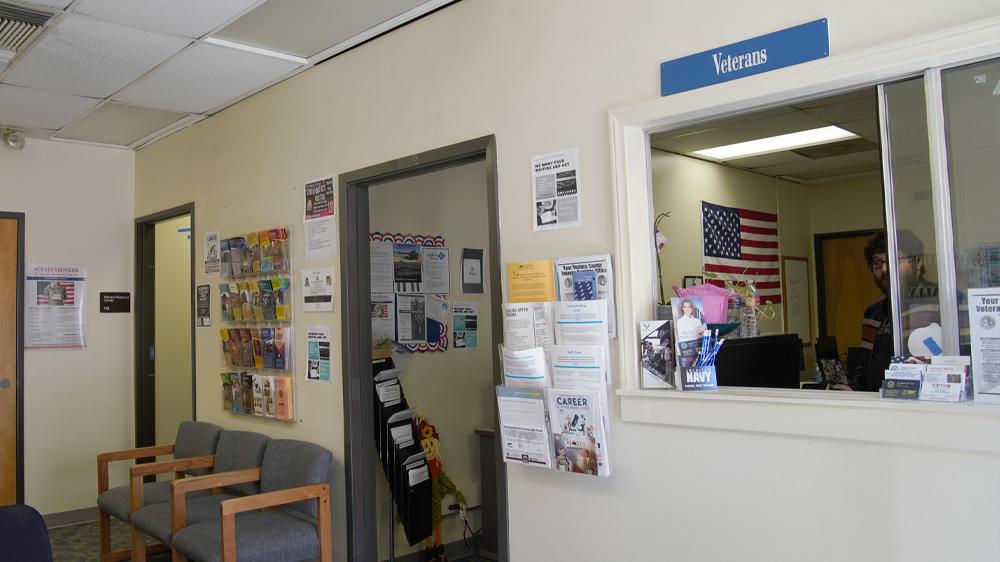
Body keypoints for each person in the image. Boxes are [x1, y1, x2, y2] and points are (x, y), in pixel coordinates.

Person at [834, 230, 938, 392]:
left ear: (917, 262)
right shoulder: (874, 313)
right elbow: (866, 367)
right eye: (877, 263)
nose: (884, 269)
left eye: (894, 260)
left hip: (926, 408)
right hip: (879, 410)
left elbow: (960, 365)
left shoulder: (943, 304)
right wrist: (854, 389)